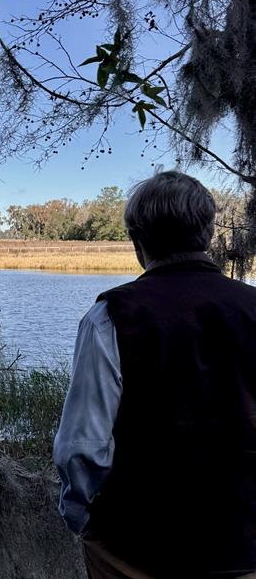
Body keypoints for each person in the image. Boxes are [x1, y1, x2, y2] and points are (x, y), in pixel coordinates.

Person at [53, 171, 256, 579]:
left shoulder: (110, 317)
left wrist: (82, 521)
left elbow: (82, 448)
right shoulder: (252, 306)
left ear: (137, 241)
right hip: (246, 546)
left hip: (136, 551)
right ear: (209, 235)